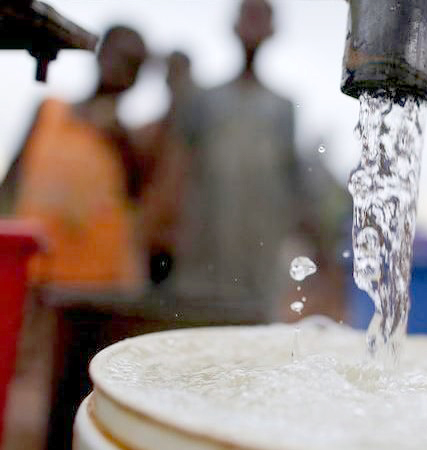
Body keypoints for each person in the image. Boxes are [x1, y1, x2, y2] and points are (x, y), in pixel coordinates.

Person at [1, 26, 148, 449]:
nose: (120, 69)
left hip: (93, 289)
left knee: (71, 392)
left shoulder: (126, 137)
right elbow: (12, 178)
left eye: (132, 65)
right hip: (34, 278)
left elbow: (143, 193)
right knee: (18, 374)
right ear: (99, 55)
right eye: (116, 55)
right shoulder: (49, 109)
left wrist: (119, 139)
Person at [169, 0, 305, 323]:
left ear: (272, 30)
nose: (253, 28)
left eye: (261, 19)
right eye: (248, 17)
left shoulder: (282, 108)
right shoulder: (203, 101)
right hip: (204, 255)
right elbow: (177, 168)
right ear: (233, 26)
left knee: (251, 340)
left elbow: (293, 183)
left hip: (258, 261)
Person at [136, 51, 197, 285]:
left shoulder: (201, 139)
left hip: (187, 247)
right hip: (150, 245)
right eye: (172, 75)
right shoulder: (150, 133)